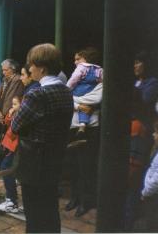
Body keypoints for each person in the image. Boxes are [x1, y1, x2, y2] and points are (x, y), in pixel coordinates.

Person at [11, 43, 73, 233]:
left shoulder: (37, 94)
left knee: (34, 215)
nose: (29, 69)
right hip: (54, 159)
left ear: (42, 68)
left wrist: (16, 111)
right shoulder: (66, 91)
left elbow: (15, 126)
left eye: (32, 65)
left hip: (34, 163)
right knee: (50, 209)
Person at [125, 51, 158, 231]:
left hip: (141, 132)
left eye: (138, 62)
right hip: (128, 130)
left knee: (134, 173)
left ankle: (129, 218)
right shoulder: (133, 82)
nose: (135, 66)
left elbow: (143, 102)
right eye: (134, 63)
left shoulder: (152, 83)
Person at [66, 83, 103, 217]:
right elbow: (67, 98)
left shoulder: (99, 84)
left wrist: (75, 99)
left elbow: (96, 100)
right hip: (73, 127)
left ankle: (86, 201)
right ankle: (74, 198)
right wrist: (80, 106)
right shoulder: (74, 83)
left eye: (78, 60)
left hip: (90, 129)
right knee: (73, 164)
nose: (76, 63)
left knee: (86, 165)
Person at [67, 47, 103, 139]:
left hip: (90, 123)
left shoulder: (82, 68)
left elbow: (73, 80)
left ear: (85, 58)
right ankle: (82, 125)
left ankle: (82, 125)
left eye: (78, 59)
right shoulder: (99, 70)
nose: (75, 62)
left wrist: (67, 89)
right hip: (78, 122)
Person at [0, 96, 22, 214]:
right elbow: (6, 123)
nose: (13, 107)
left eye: (15, 104)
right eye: (13, 104)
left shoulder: (22, 117)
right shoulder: (16, 115)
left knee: (6, 169)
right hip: (11, 146)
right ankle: (12, 200)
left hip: (15, 147)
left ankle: (11, 201)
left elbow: (13, 133)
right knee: (8, 169)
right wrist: (10, 115)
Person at [141, 118, 158, 232]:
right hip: (154, 194)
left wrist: (145, 192)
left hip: (157, 197)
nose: (153, 134)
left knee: (153, 225)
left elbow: (157, 180)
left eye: (156, 132)